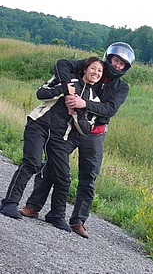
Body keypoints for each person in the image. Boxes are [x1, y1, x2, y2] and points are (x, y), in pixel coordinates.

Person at [19, 42, 135, 238]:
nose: (117, 66)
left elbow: (110, 109)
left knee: (88, 177)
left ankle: (78, 221)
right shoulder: (92, 66)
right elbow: (62, 64)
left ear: (126, 67)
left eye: (122, 64)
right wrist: (67, 87)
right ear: (109, 57)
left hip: (95, 133)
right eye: (115, 60)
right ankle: (33, 206)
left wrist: (84, 103)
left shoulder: (121, 87)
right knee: (53, 166)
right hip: (71, 128)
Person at [0, 57, 104, 232]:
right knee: (31, 163)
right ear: (85, 69)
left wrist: (77, 110)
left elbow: (86, 128)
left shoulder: (94, 100)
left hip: (60, 137)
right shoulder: (67, 79)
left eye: (100, 71)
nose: (96, 73)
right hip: (39, 125)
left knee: (63, 177)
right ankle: (9, 203)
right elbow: (40, 93)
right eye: (93, 68)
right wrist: (63, 89)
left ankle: (56, 215)